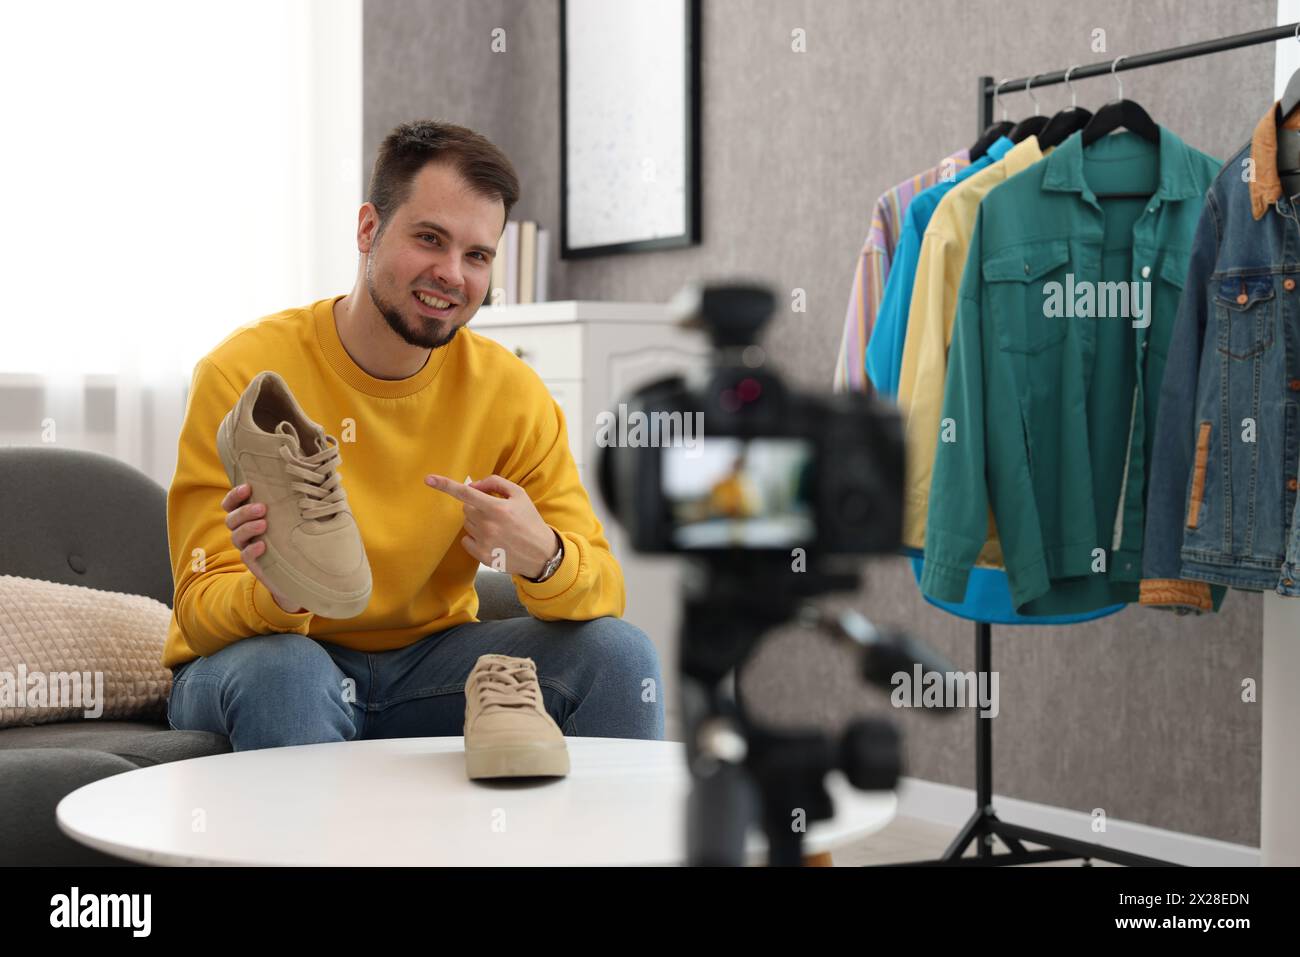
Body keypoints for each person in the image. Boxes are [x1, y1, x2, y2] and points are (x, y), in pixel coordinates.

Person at [164, 120, 664, 751]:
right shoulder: (242, 375)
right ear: (368, 228)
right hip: (266, 662)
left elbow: (606, 586)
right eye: (430, 238)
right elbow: (197, 607)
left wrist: (545, 557)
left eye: (477, 255)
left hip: (431, 669)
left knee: (619, 656)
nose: (452, 273)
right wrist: (278, 596)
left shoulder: (511, 394)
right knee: (287, 672)